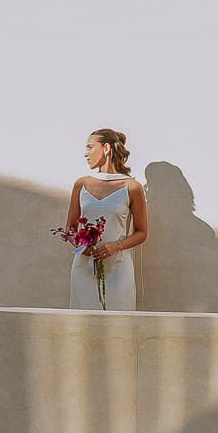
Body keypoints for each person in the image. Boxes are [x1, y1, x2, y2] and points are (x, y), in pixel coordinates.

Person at [65, 128, 148, 310]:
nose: (85, 153)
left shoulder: (132, 187)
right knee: (82, 327)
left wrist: (116, 246)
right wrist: (81, 246)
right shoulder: (81, 184)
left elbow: (142, 233)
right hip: (84, 268)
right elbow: (70, 229)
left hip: (118, 269)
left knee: (118, 327)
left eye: (90, 147)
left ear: (106, 148)